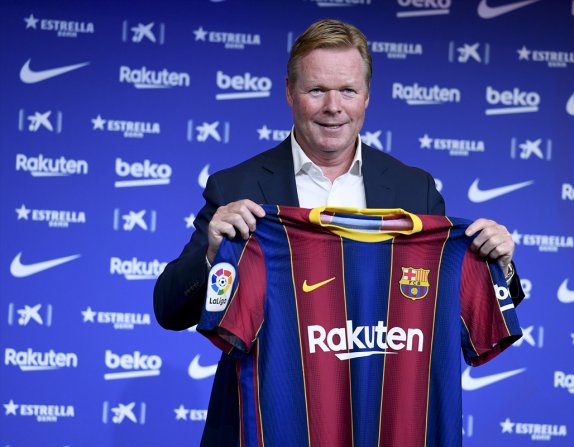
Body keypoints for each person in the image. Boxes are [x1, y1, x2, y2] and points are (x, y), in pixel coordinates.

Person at [154, 19, 523, 446]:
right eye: (316, 90)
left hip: (382, 425)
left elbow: (461, 302)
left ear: (367, 96)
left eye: (347, 90)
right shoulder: (237, 187)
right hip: (266, 426)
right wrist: (213, 254)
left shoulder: (414, 189)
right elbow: (169, 309)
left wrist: (500, 265)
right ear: (289, 92)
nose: (333, 106)